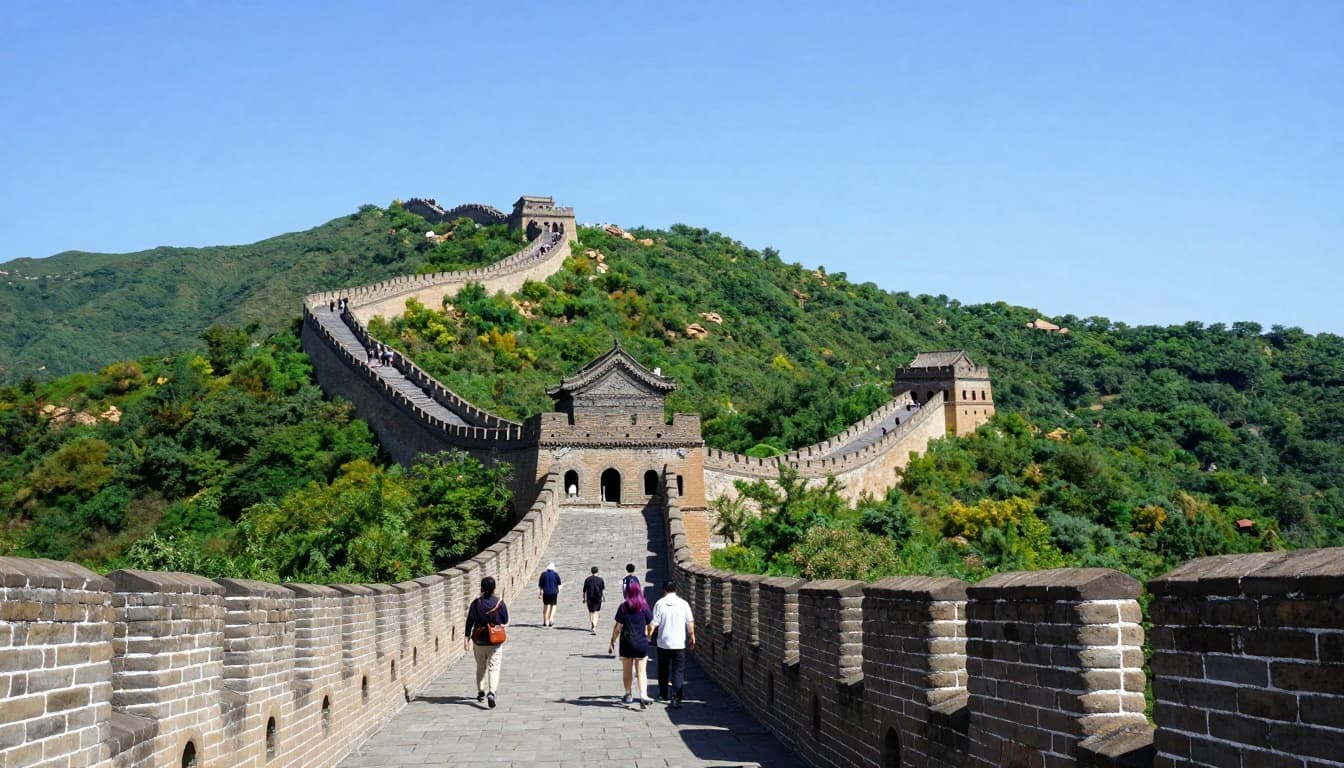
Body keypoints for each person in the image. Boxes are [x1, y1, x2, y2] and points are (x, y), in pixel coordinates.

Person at [463, 576, 509, 709]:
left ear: (481, 588)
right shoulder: (499, 602)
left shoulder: (476, 603)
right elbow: (505, 619)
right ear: (494, 588)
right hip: (495, 641)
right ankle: (492, 693)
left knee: (480, 666)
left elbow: (470, 621)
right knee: (494, 667)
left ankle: (481, 691)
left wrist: (466, 638)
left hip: (479, 640)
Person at [650, 579, 696, 708]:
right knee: (678, 670)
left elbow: (654, 624)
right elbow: (690, 622)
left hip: (663, 642)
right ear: (675, 589)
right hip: (678, 643)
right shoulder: (683, 604)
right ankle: (676, 696)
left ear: (664, 590)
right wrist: (692, 636)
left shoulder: (659, 603)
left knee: (663, 669)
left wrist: (648, 635)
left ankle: (663, 694)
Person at [608, 581, 653, 709]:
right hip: (641, 643)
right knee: (642, 671)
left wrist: (612, 640)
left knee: (627, 671)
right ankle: (643, 695)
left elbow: (617, 628)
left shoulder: (623, 607)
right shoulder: (644, 607)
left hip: (627, 643)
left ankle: (628, 694)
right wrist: (649, 635)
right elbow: (650, 625)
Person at [582, 566, 605, 634]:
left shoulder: (587, 579)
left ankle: (592, 623)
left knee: (591, 611)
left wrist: (584, 598)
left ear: (591, 571)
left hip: (589, 597)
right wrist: (603, 597)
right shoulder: (600, 580)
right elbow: (603, 590)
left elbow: (584, 591)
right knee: (596, 612)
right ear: (597, 572)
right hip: (598, 597)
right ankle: (594, 626)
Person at [538, 562, 562, 627]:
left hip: (546, 592)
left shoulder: (543, 574)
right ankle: (551, 618)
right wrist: (558, 589)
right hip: (554, 592)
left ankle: (545, 621)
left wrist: (540, 593)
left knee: (546, 606)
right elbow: (559, 584)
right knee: (553, 605)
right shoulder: (555, 574)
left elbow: (540, 585)